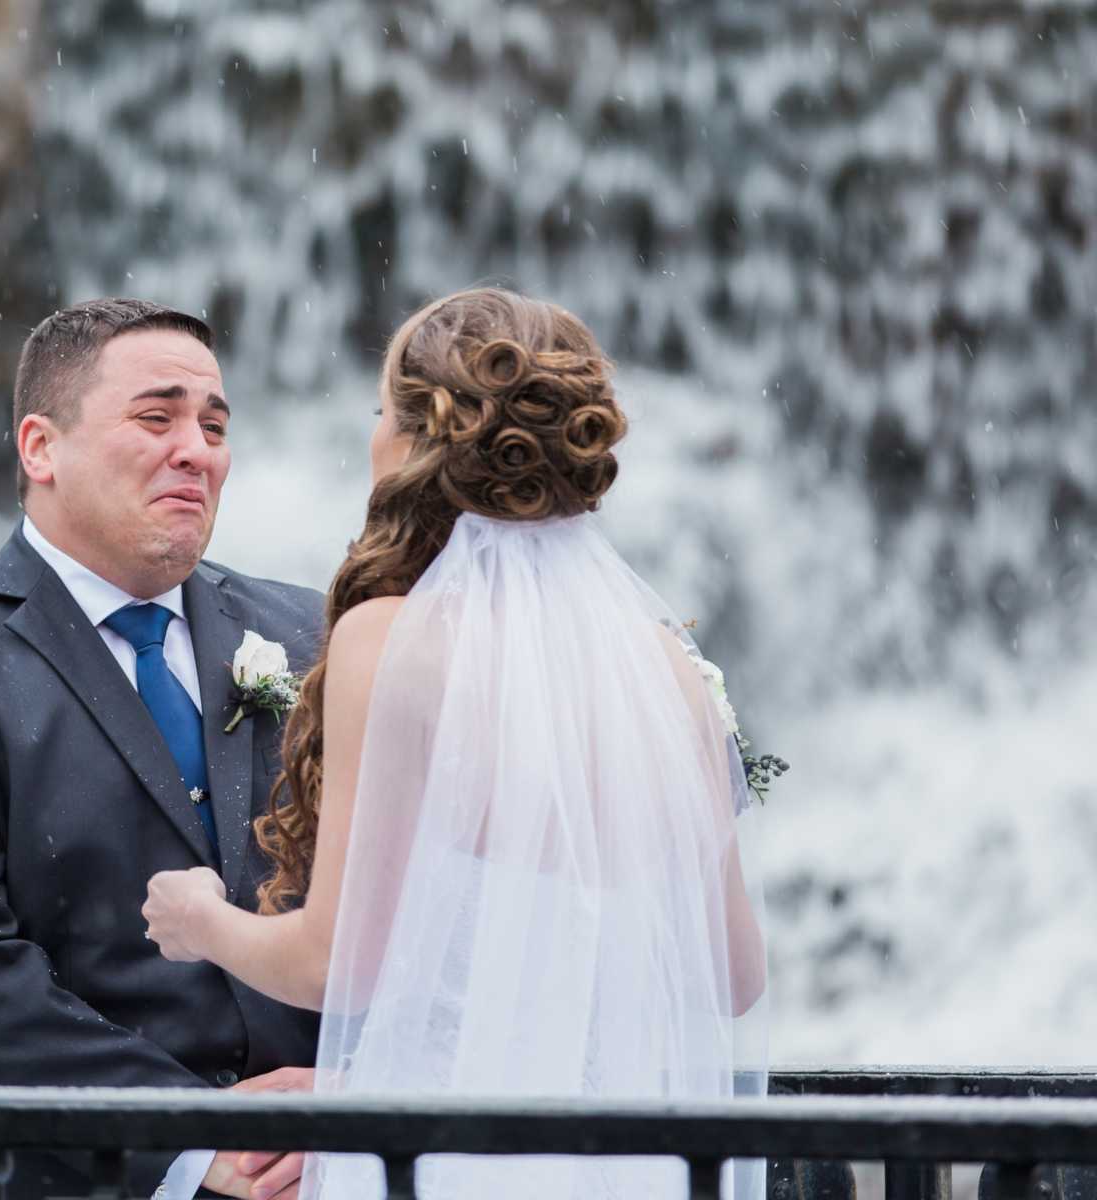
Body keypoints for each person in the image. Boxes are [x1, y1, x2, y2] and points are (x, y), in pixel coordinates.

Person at [142, 287, 770, 1199]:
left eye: (379, 412)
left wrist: (201, 923)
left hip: (446, 1162)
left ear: (414, 440)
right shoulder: (666, 666)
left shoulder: (391, 639)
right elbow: (736, 979)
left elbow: (339, 965)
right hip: (620, 1165)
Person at [0, 298, 323, 1200]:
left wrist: (359, 1094)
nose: (197, 450)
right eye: (157, 416)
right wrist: (195, 1138)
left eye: (213, 424)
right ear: (40, 448)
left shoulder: (314, 637)